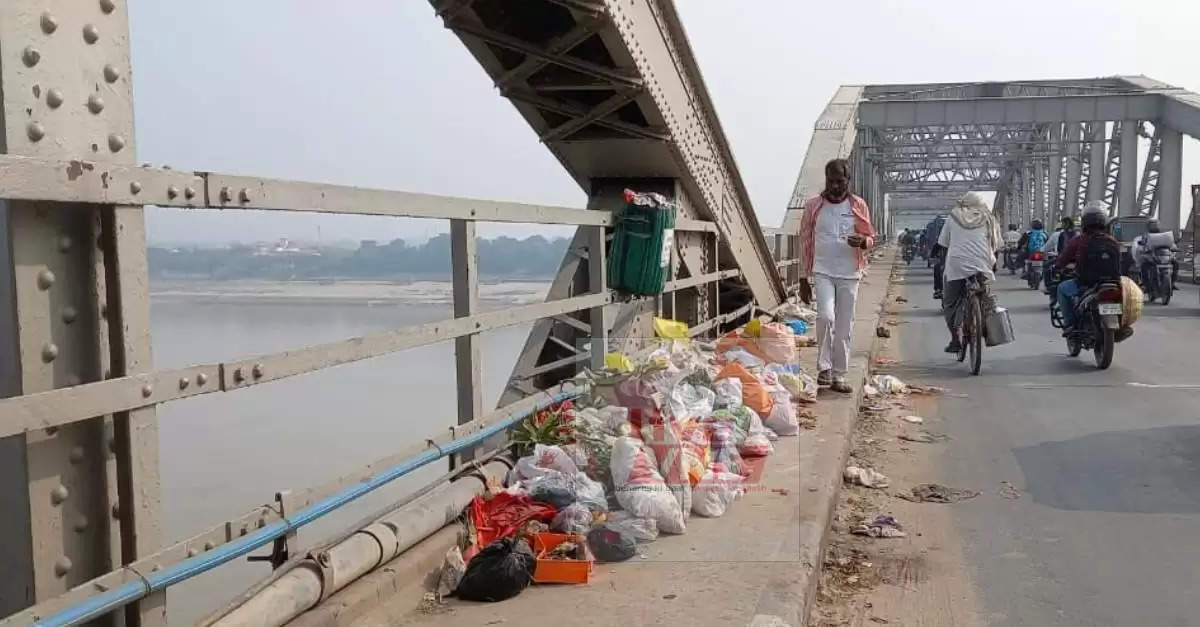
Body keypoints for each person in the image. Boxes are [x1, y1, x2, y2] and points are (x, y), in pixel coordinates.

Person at [797, 158, 876, 394]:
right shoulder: (814, 206)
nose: (834, 186)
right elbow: (804, 241)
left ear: (847, 181)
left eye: (839, 181)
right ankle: (824, 368)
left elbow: (870, 236)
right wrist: (803, 278)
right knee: (825, 317)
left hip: (850, 273)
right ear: (826, 179)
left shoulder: (858, 205)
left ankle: (839, 375)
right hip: (822, 271)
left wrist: (863, 242)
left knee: (844, 327)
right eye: (830, 181)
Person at [938, 192, 1003, 353]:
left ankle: (955, 340)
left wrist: (944, 263)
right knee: (987, 298)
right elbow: (997, 245)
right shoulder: (989, 218)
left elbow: (944, 243)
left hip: (957, 264)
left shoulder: (953, 216)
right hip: (982, 263)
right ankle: (985, 322)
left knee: (950, 302)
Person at [1055, 201, 1123, 334]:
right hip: (1113, 283)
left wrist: (1058, 266)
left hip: (1086, 284)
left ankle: (1070, 325)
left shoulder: (1079, 240)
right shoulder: (1112, 241)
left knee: (1062, 289)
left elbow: (1063, 259)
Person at [1134, 219, 1180, 290]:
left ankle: (1173, 282)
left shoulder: (1164, 235)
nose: (1154, 226)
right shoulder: (1145, 236)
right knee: (1143, 266)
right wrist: (1142, 249)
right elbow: (1141, 245)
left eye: (1155, 224)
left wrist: (1174, 248)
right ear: (1149, 226)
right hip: (1151, 256)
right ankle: (1146, 285)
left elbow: (1171, 244)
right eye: (1152, 224)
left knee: (1176, 263)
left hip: (1163, 256)